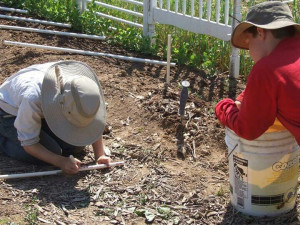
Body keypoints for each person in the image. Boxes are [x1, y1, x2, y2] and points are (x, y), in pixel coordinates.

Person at [0, 60, 111, 174]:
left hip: (37, 111)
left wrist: (100, 155)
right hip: (8, 113)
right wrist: (60, 161)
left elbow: (92, 119)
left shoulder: (84, 86)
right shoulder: (33, 98)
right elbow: (29, 143)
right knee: (51, 152)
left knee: (76, 145)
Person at [215, 1, 300, 143]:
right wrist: (243, 98)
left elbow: (248, 129)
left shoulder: (268, 68)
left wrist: (223, 106)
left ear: (260, 32)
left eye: (248, 43)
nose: (250, 52)